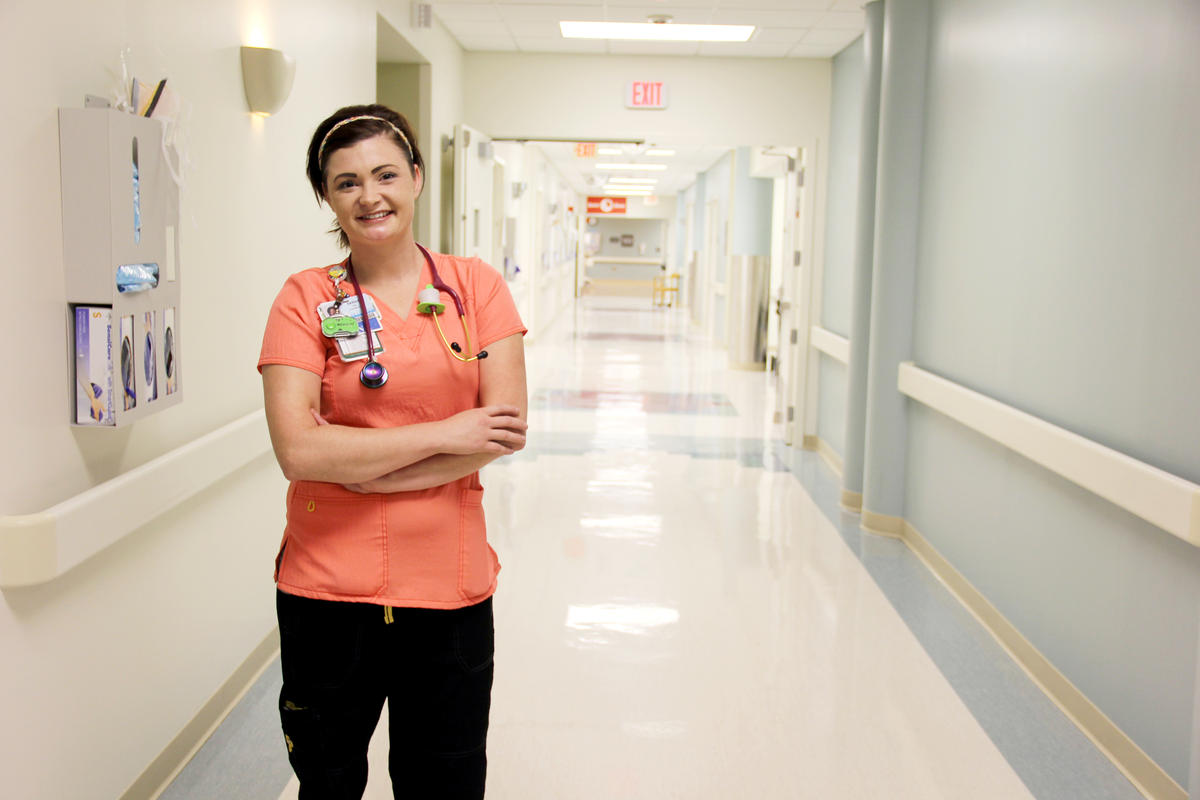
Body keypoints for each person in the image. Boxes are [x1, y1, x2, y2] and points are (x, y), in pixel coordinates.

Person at [257, 103, 528, 799]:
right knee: (327, 778)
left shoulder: (476, 288)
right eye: (346, 182)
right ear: (326, 196)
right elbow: (297, 448)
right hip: (326, 587)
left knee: (445, 779)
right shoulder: (306, 298)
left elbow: (501, 427)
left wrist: (368, 467)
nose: (369, 196)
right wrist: (445, 434)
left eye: (384, 174)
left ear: (415, 178)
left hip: (448, 586)